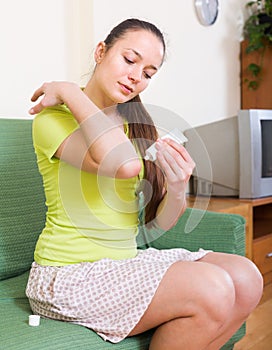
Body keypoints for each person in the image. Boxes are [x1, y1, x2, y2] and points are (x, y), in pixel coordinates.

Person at [26, 18, 263, 349]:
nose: (136, 76)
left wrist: (179, 185)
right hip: (68, 275)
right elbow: (122, 165)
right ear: (100, 52)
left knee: (247, 278)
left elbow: (159, 223)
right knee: (213, 286)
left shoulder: (135, 129)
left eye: (149, 73)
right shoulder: (54, 119)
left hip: (124, 262)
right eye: (129, 60)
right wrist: (67, 90)